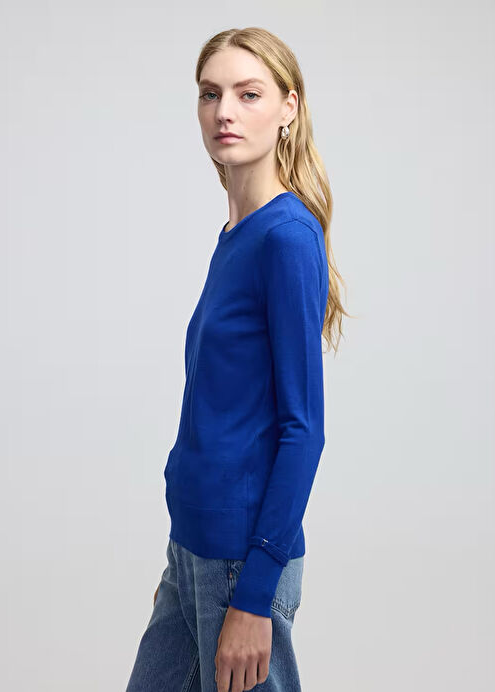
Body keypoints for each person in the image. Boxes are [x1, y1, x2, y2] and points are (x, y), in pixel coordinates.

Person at [126, 26, 349, 692]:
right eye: (210, 94)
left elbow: (303, 429)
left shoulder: (285, 236)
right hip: (193, 546)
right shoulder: (236, 234)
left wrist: (252, 594)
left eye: (248, 94)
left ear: (288, 108)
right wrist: (183, 550)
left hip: (240, 559)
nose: (224, 111)